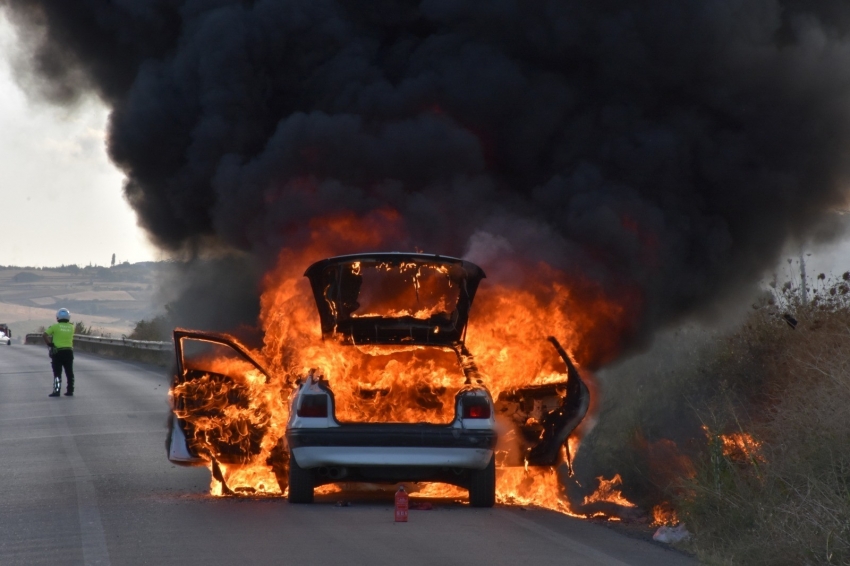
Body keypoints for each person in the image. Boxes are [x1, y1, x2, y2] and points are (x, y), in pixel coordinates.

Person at [43, 308, 75, 397]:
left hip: (57, 352)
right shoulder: (72, 327)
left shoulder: (54, 327)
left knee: (57, 373)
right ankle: (70, 390)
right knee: (69, 372)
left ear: (57, 317)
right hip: (68, 352)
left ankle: (57, 391)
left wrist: (50, 344)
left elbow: (44, 335)